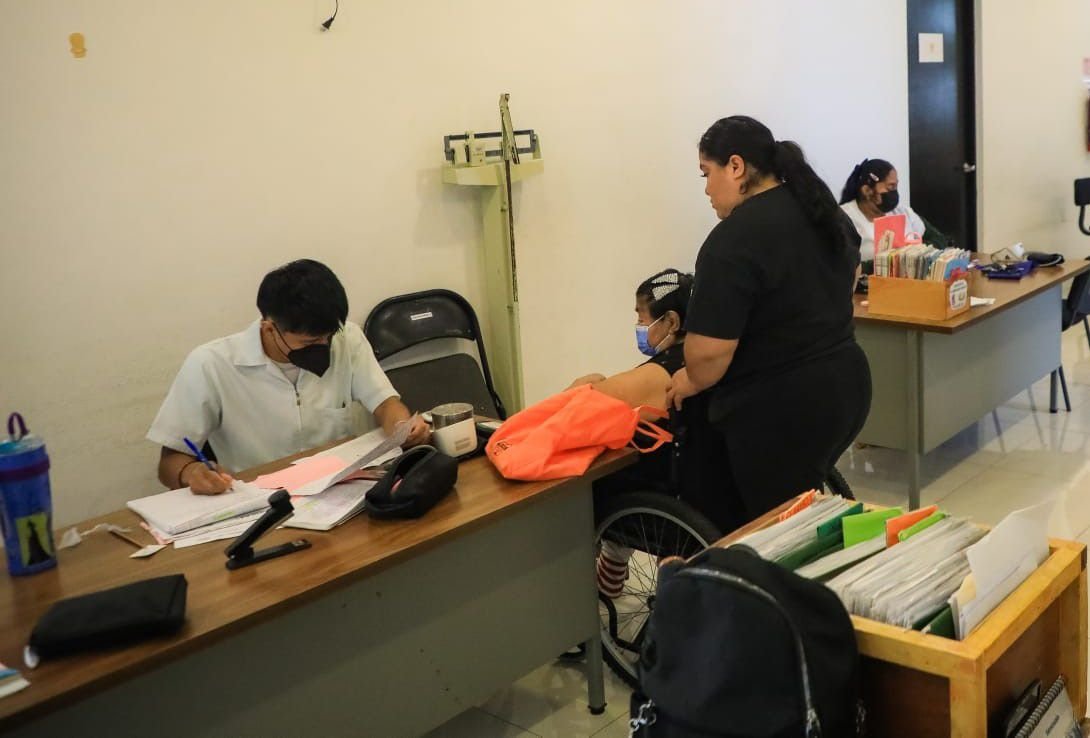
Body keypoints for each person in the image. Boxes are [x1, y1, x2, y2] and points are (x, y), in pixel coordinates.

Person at [668, 116, 871, 525]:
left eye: (707, 174)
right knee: (802, 516)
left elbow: (708, 357)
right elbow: (848, 284)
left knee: (775, 536)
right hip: (846, 388)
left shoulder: (733, 240)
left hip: (782, 412)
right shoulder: (823, 212)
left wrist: (686, 380)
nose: (707, 188)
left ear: (736, 166)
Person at [147, 259, 430, 495]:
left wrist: (403, 428)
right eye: (309, 342)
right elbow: (170, 461)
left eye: (328, 337)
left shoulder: (348, 340)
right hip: (263, 502)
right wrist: (191, 472)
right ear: (270, 329)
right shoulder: (211, 365)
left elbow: (386, 404)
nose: (323, 346)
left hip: (340, 491)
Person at [569, 269, 723, 597]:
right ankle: (612, 565)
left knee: (576, 489)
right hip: (708, 475)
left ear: (670, 322)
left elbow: (581, 406)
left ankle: (575, 598)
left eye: (641, 317)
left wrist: (583, 384)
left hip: (664, 486)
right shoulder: (712, 356)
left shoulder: (661, 370)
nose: (639, 327)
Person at [839, 157, 950, 271]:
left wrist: (912, 254)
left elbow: (939, 239)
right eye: (891, 186)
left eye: (896, 186)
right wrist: (884, 264)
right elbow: (841, 264)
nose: (895, 192)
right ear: (867, 190)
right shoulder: (844, 217)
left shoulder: (902, 211)